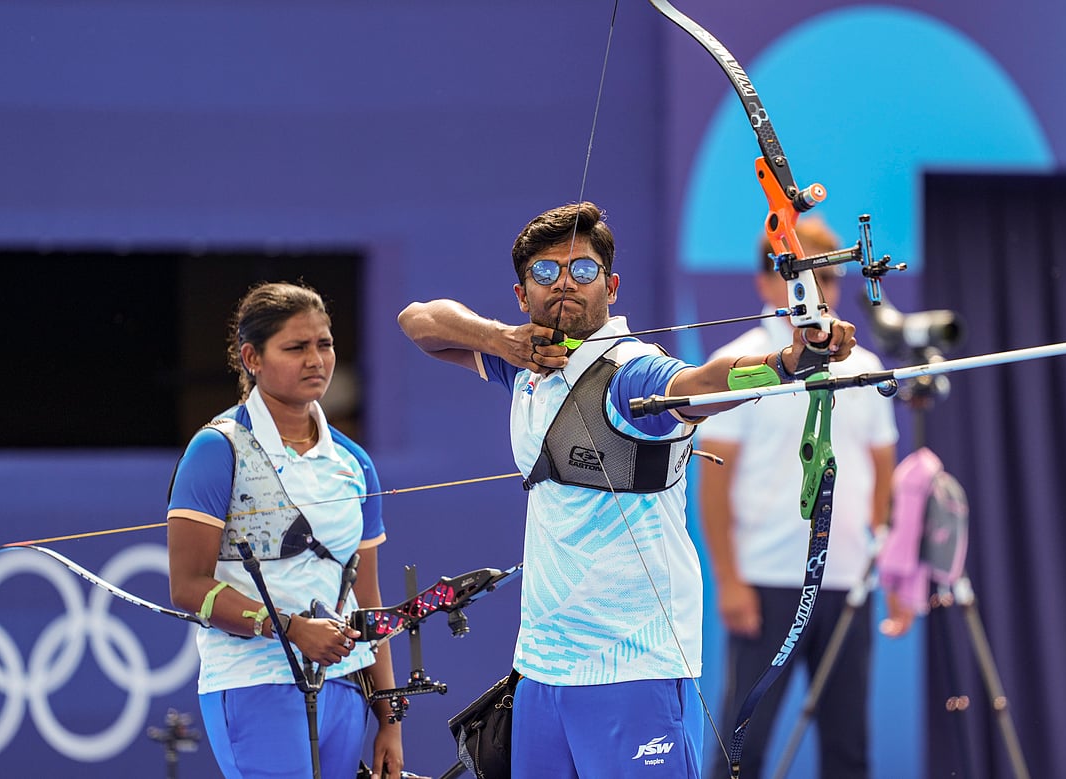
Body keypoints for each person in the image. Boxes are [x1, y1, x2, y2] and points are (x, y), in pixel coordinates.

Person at [396, 201, 858, 779]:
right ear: (521, 295)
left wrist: (787, 362)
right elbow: (418, 320)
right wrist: (501, 340)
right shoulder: (525, 363)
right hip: (540, 668)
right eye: (545, 273)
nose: (564, 282)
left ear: (610, 286)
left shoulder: (633, 372)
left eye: (582, 271)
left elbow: (698, 385)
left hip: (631, 668)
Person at [167, 281, 406, 779]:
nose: (316, 359)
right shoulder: (217, 449)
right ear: (251, 357)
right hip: (252, 682)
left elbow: (367, 597)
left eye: (325, 344)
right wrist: (293, 629)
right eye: (296, 348)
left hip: (343, 687)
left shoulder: (354, 462)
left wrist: (389, 715)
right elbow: (188, 587)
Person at [698, 218, 899, 779]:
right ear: (768, 283)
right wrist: (731, 581)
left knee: (848, 749)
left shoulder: (866, 367)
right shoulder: (738, 364)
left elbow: (883, 468)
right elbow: (713, 482)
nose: (819, 291)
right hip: (767, 584)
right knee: (744, 749)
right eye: (800, 278)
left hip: (848, 585)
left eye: (829, 278)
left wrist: (877, 554)